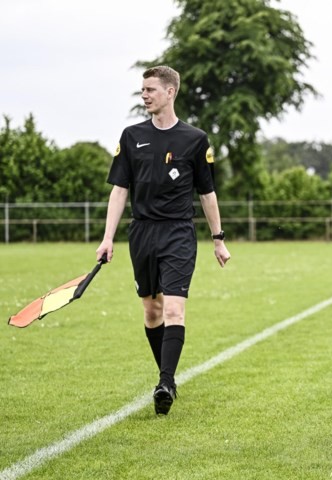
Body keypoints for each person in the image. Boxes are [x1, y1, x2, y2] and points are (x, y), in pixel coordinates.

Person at [96, 66, 231, 416]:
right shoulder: (130, 136)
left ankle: (165, 383)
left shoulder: (195, 139)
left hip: (178, 233)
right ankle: (166, 377)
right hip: (141, 232)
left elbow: (207, 193)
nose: (144, 95)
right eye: (142, 89)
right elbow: (119, 190)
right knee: (152, 310)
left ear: (170, 92)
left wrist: (218, 239)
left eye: (151, 89)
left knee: (173, 308)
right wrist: (107, 238)